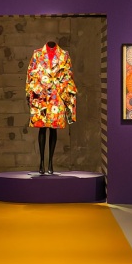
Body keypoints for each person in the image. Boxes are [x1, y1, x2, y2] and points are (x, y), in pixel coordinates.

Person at [26, 39, 77, 174]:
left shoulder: (64, 55)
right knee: (42, 128)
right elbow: (30, 74)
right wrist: (30, 93)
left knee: (54, 129)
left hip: (56, 96)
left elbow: (69, 75)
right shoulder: (37, 54)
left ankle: (50, 163)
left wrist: (66, 95)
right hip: (41, 96)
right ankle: (42, 162)